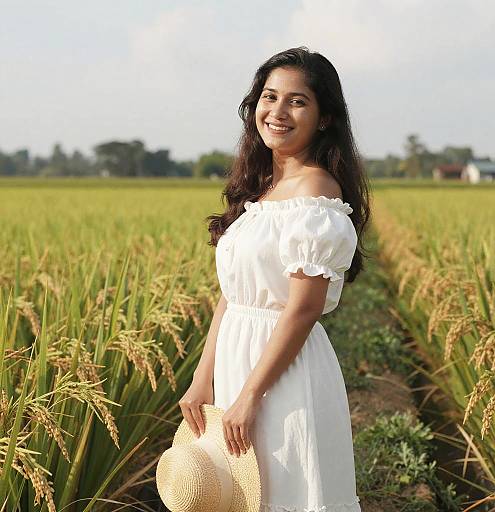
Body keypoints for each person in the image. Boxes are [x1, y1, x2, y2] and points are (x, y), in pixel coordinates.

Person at [179, 46, 371, 511]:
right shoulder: (261, 190)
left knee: (286, 492)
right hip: (235, 364)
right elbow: (232, 297)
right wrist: (203, 378)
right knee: (241, 494)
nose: (277, 112)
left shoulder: (315, 191)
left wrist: (250, 395)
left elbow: (303, 308)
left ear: (325, 118)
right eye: (269, 96)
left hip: (281, 373)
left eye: (297, 101)